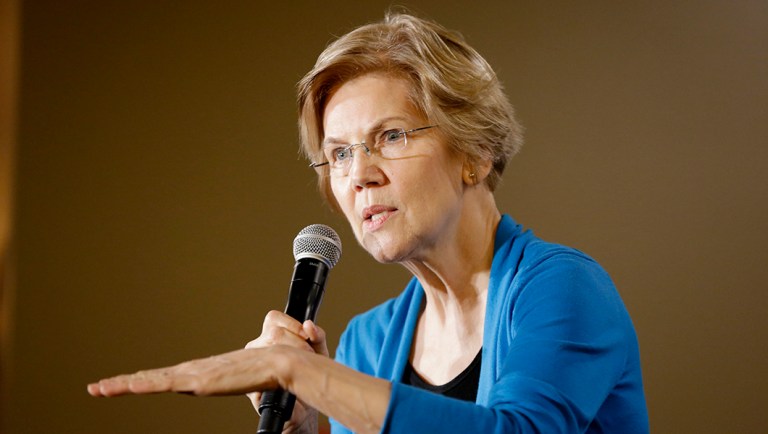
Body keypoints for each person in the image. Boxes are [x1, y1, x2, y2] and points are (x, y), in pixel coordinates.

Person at [87, 12, 649, 433]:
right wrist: (307, 423)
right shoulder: (367, 341)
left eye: (391, 136)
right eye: (338, 154)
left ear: (474, 152)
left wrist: (310, 376)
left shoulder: (562, 288)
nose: (359, 175)